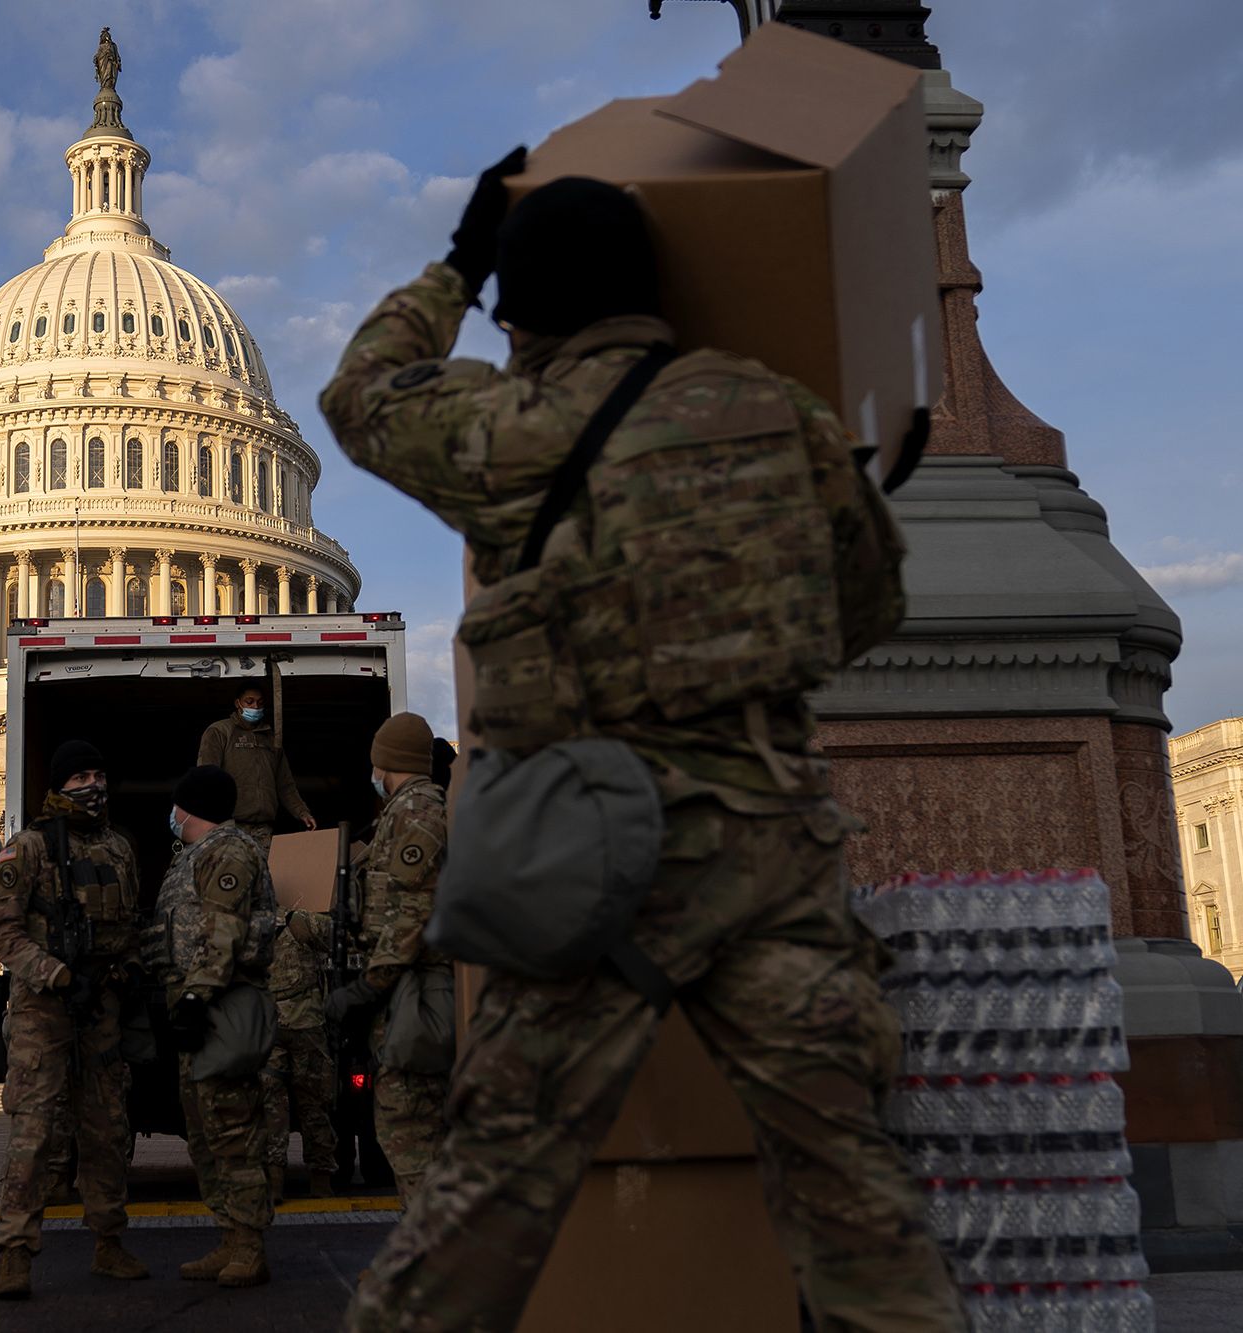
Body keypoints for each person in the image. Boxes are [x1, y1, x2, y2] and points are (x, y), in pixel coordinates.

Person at [320, 155, 959, 1330]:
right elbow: (867, 601)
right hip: (767, 849)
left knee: (485, 1194)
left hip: (585, 849)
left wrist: (456, 264)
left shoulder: (513, 429)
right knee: (851, 1192)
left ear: (519, 316)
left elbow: (359, 394)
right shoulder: (780, 413)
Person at [0, 739, 147, 1300]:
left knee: (107, 1130)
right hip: (43, 1009)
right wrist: (55, 974)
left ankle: (109, 1241)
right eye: (80, 777)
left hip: (101, 1005)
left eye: (98, 775)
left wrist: (130, 968)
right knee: (33, 1134)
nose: (93, 786)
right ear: (60, 785)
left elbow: (129, 925)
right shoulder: (28, 848)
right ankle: (15, 1252)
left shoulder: (119, 848)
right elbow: (3, 932)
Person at [144, 765, 278, 1288]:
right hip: (195, 1006)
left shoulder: (229, 852)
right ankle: (228, 1236)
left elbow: (223, 931)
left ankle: (249, 1245)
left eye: (176, 805)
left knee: (233, 1133)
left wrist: (196, 997)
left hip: (220, 1006)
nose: (172, 814)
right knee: (205, 1135)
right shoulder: (194, 855)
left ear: (187, 807)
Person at [323, 713, 450, 1205]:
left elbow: (411, 913)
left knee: (409, 1128)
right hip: (405, 992)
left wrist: (367, 987)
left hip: (417, 994)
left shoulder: (415, 813)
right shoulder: (405, 811)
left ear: (387, 761)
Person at [262, 907, 336, 1202]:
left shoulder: (251, 925)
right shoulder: (304, 920)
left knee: (272, 1108)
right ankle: (321, 1180)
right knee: (315, 1105)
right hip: (307, 1026)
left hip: (269, 1028)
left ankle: (274, 1183)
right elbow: (338, 938)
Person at [196, 685, 315, 850]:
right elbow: (205, 778)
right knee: (233, 865)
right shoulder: (220, 732)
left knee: (263, 865)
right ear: (237, 703)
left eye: (260, 702)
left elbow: (285, 784)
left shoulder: (271, 739)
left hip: (263, 829)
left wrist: (302, 812)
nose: (255, 707)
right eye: (249, 702)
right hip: (229, 826)